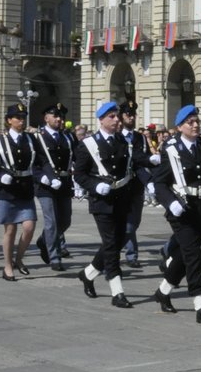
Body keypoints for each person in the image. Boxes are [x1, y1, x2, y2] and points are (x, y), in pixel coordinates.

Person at [147, 105, 201, 326]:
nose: (196, 125)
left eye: (196, 120)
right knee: (192, 254)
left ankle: (163, 291)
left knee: (183, 254)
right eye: (190, 122)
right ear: (180, 127)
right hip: (181, 209)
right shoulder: (170, 149)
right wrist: (171, 203)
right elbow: (159, 183)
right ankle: (200, 304)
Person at [72, 101, 140, 307]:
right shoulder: (88, 144)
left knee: (119, 240)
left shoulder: (123, 141)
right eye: (111, 116)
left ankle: (88, 274)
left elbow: (133, 163)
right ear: (101, 119)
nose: (116, 119)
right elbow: (80, 174)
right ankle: (117, 291)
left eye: (117, 116)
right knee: (111, 244)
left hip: (122, 197)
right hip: (102, 201)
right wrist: (95, 186)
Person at [0, 103, 39, 281]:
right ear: (9, 120)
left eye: (23, 117)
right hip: (6, 190)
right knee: (10, 229)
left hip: (25, 188)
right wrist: (0, 176)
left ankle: (19, 259)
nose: (21, 121)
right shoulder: (0, 140)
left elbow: (40, 161)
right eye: (17, 118)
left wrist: (45, 176)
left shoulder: (31, 139)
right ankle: (7, 265)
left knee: (29, 226)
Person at [32, 103, 75, 271]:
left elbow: (78, 155)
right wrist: (42, 177)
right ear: (46, 118)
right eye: (55, 116)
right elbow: (33, 163)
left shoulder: (68, 138)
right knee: (52, 221)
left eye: (61, 117)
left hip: (64, 184)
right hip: (45, 186)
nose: (59, 119)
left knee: (65, 220)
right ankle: (54, 255)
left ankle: (44, 240)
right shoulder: (37, 138)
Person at [119, 102, 158, 269]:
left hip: (137, 185)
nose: (131, 117)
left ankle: (118, 245)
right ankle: (131, 254)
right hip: (120, 185)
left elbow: (145, 160)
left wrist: (151, 180)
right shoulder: (116, 136)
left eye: (133, 114)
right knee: (127, 224)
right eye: (128, 114)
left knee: (135, 222)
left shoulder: (140, 137)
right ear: (121, 116)